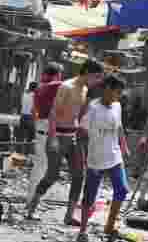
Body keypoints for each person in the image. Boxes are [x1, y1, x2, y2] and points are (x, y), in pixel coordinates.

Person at [26, 59, 105, 223]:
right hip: (59, 135)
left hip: (73, 136)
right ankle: (32, 208)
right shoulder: (66, 86)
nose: (97, 81)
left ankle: (69, 216)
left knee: (79, 175)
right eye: (96, 77)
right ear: (88, 73)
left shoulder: (84, 89)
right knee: (52, 175)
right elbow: (53, 113)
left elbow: (79, 114)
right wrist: (53, 138)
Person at [76, 74, 131, 242]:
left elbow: (119, 127)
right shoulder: (93, 108)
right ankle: (83, 231)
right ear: (107, 89)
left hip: (115, 156)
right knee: (89, 196)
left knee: (122, 189)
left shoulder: (117, 106)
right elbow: (81, 134)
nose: (119, 96)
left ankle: (109, 225)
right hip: (96, 158)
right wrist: (83, 157)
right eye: (117, 92)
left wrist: (124, 146)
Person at [27, 62, 65, 204]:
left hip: (41, 128)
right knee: (42, 168)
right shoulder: (54, 86)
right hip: (47, 130)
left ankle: (32, 200)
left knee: (40, 167)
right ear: (56, 75)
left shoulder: (39, 88)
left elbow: (33, 112)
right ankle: (32, 201)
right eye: (60, 74)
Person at [20, 82, 37, 148]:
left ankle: (19, 152)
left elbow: (21, 104)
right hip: (30, 117)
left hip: (22, 116)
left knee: (21, 136)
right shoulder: (35, 96)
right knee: (30, 138)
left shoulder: (24, 94)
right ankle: (26, 153)